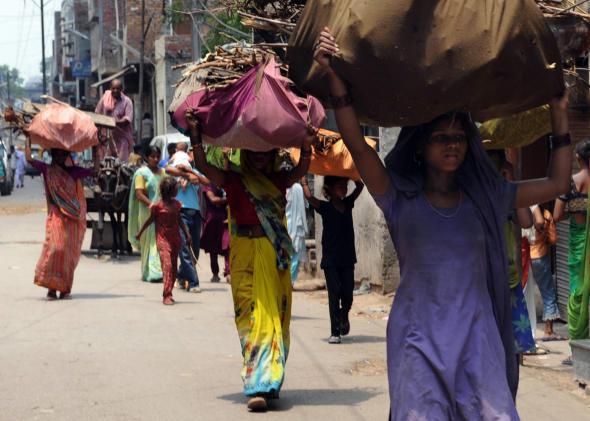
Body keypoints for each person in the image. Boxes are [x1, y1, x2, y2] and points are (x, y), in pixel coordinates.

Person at [314, 28, 572, 420]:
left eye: (458, 137)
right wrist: (334, 76)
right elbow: (353, 141)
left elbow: (556, 183)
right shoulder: (398, 198)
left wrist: (559, 111)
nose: (452, 144)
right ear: (420, 146)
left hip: (477, 337)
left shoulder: (488, 199)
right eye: (440, 138)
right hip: (418, 340)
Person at [185, 109, 315, 412]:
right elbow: (202, 164)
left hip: (270, 251)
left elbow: (302, 169)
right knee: (247, 315)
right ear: (243, 152)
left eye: (264, 150)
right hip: (242, 250)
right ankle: (262, 375)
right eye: (252, 150)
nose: (258, 156)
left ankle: (261, 385)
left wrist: (306, 144)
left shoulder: (279, 179)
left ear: (272, 153)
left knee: (269, 315)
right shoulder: (232, 179)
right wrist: (195, 135)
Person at [24, 135, 100, 299]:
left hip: (72, 217)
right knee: (54, 248)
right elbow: (29, 159)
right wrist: (28, 138)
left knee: (67, 253)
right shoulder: (47, 170)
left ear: (67, 156)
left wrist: (96, 148)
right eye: (56, 154)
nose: (59, 157)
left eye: (62, 154)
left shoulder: (74, 172)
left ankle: (64, 287)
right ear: (52, 155)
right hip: (56, 214)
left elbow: (94, 171)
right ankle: (51, 286)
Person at [302, 176, 364, 343]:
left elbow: (360, 186)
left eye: (345, 186)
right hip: (331, 258)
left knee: (348, 294)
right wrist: (304, 181)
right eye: (340, 186)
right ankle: (335, 332)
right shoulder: (325, 207)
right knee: (334, 294)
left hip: (347, 256)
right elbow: (309, 197)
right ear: (330, 189)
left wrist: (350, 173)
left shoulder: (348, 203)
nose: (344, 189)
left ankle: (344, 315)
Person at [554, 139, 590, 345]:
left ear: (578, 158)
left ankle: (578, 343)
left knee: (578, 290)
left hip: (578, 243)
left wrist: (576, 209)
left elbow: (557, 215)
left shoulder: (570, 183)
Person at [136, 177, 190, 305]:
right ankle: (167, 295)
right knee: (167, 266)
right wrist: (140, 232)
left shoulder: (177, 205)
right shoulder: (158, 207)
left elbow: (180, 221)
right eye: (176, 189)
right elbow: (150, 220)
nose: (177, 191)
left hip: (175, 240)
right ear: (169, 191)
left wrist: (188, 235)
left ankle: (169, 291)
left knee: (173, 268)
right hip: (162, 240)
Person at [165, 142, 209, 293]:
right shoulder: (173, 173)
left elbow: (206, 181)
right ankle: (193, 282)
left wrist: (192, 173)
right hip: (180, 213)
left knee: (195, 249)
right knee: (185, 248)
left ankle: (181, 275)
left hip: (195, 213)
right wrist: (183, 173)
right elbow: (167, 168)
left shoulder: (194, 172)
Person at [128, 145, 165, 282]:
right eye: (152, 157)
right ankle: (149, 272)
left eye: (157, 156)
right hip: (146, 213)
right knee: (149, 243)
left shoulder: (163, 173)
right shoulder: (141, 173)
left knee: (160, 242)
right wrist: (151, 204)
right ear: (146, 158)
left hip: (161, 213)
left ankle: (158, 271)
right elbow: (139, 194)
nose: (155, 159)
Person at [528, 204, 563, 341]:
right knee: (548, 292)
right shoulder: (546, 215)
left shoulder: (524, 213)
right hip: (540, 256)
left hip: (526, 258)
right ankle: (548, 331)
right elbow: (553, 239)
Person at [95, 79, 134, 161]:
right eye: (113, 88)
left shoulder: (127, 101)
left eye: (118, 88)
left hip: (122, 138)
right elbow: (97, 113)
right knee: (105, 163)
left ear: (121, 89)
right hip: (106, 137)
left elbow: (127, 120)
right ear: (110, 88)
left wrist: (112, 122)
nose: (115, 90)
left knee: (122, 164)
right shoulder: (104, 99)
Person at [200, 184, 230, 282]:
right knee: (213, 249)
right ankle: (215, 273)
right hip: (212, 221)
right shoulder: (208, 186)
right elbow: (213, 199)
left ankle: (229, 272)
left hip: (225, 220)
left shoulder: (224, 184)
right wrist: (227, 199)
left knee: (227, 247)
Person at [286, 181, 308, 283]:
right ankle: (289, 279)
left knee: (294, 254)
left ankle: (290, 280)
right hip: (290, 224)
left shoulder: (296, 188)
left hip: (294, 224)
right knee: (293, 255)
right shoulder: (296, 188)